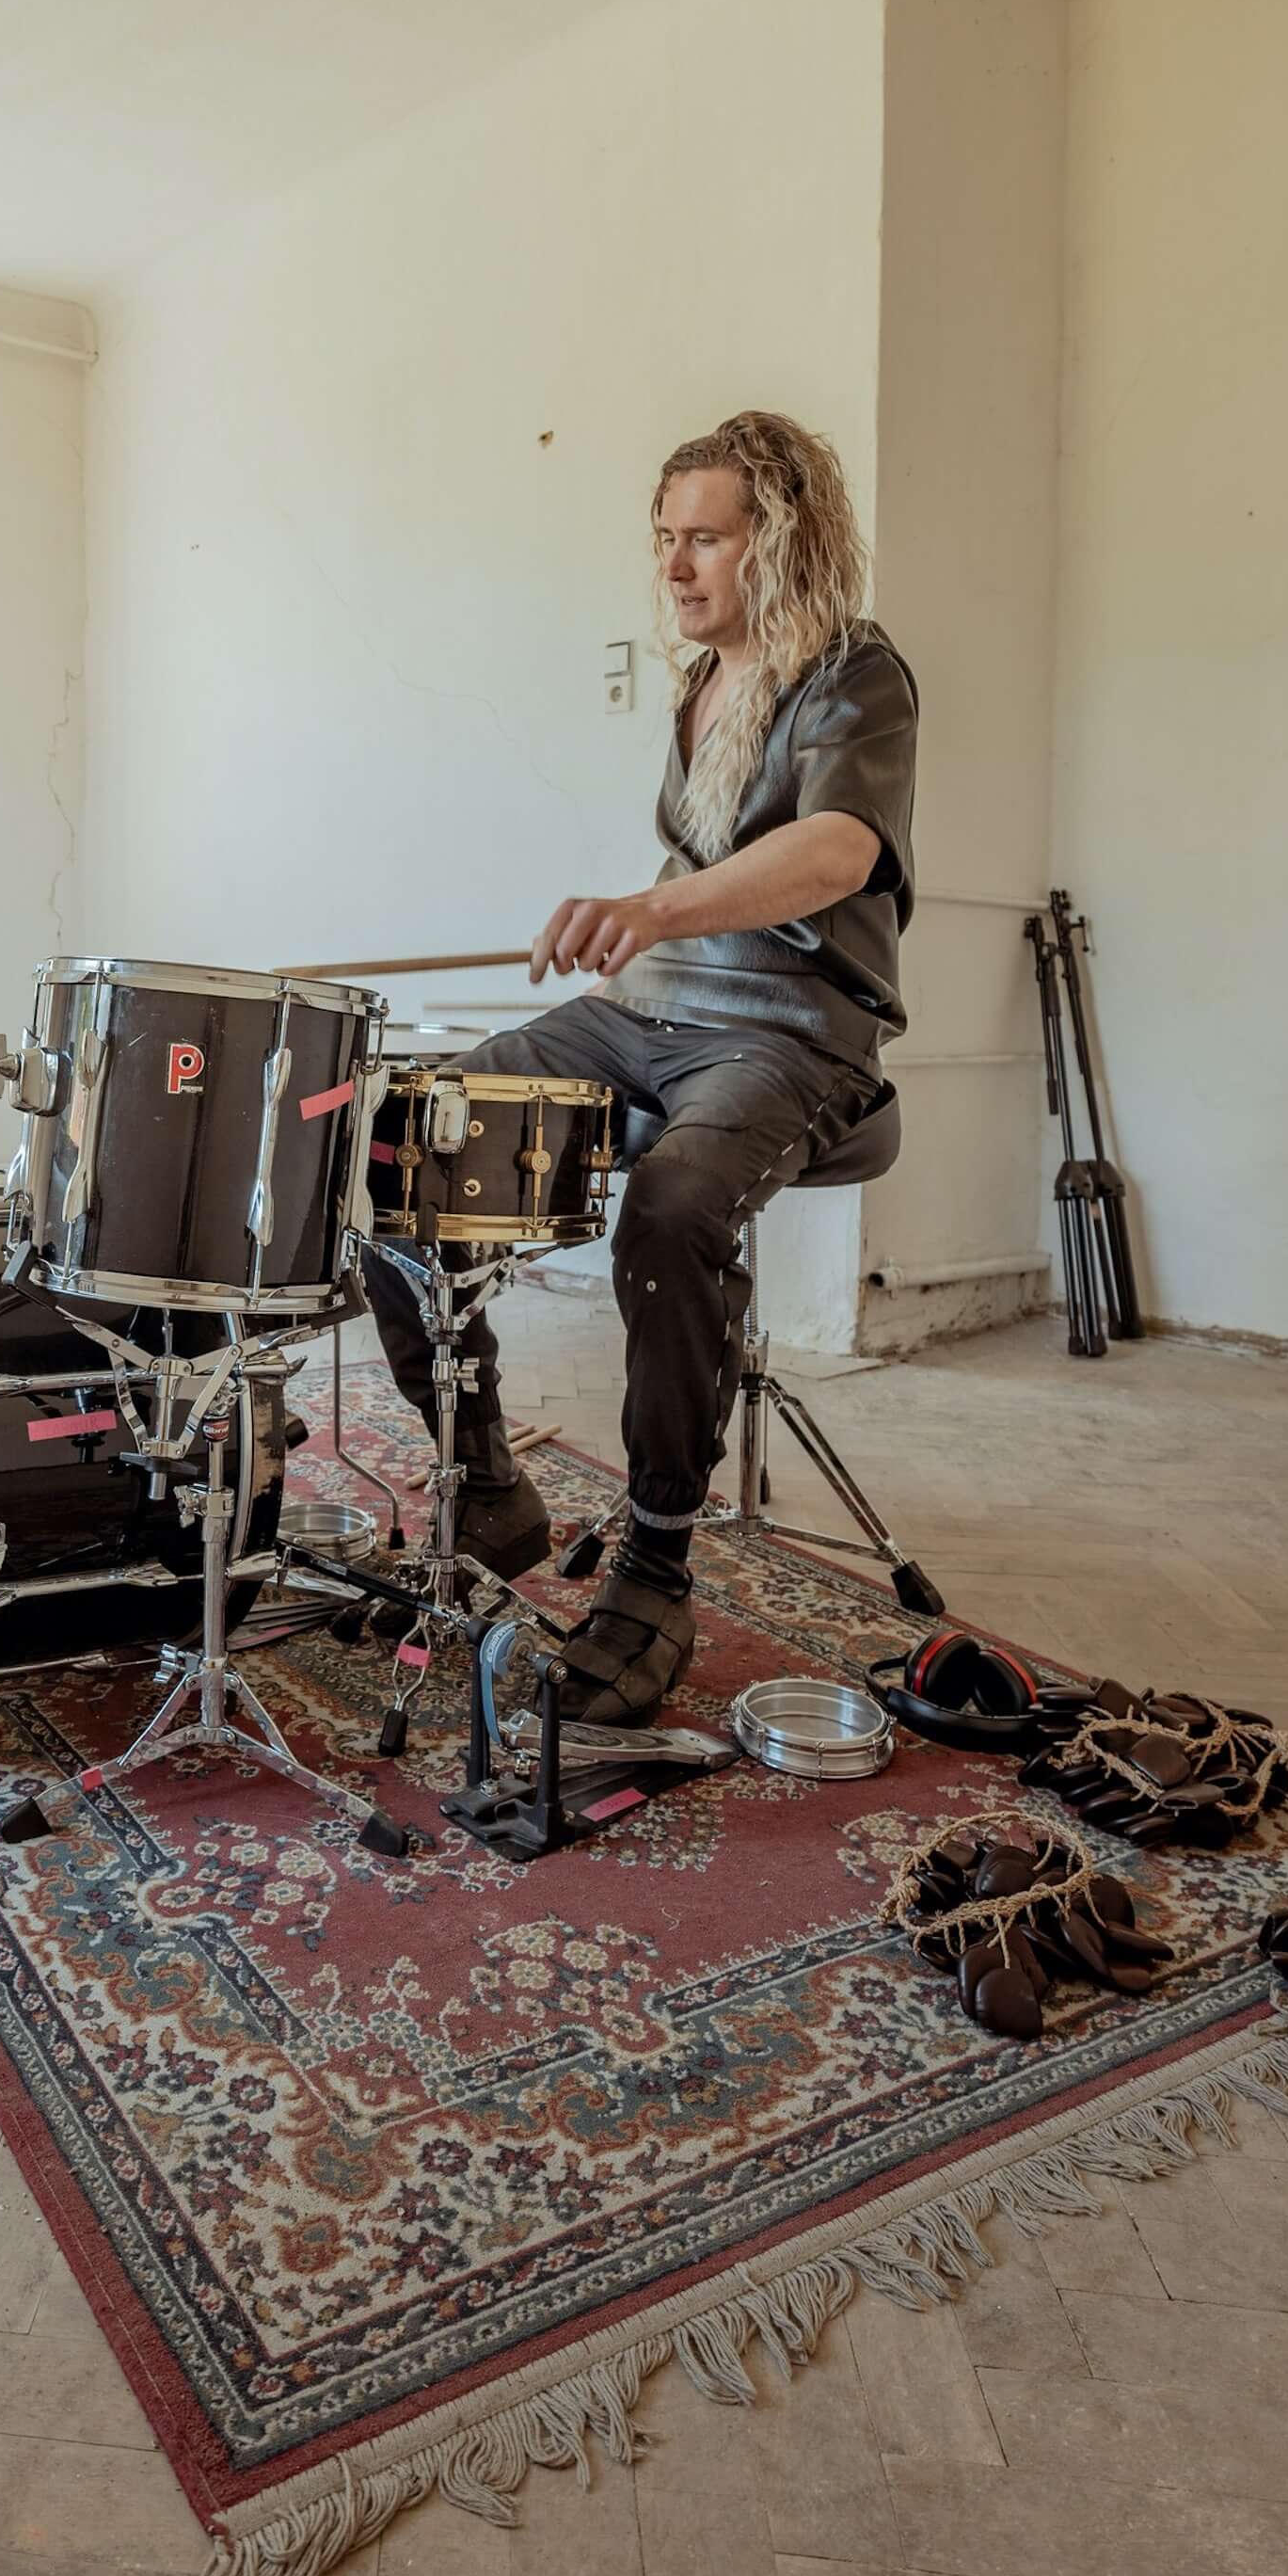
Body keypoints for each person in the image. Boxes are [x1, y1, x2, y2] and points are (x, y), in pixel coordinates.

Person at [359, 410, 917, 1724]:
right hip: (650, 1011)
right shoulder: (700, 683)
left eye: (705, 538)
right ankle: (482, 1471)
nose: (675, 566)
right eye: (665, 539)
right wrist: (642, 942)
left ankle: (657, 1556)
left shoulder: (854, 673)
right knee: (402, 1136)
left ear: (778, 542)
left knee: (669, 1208)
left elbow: (836, 851)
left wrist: (652, 910)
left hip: (790, 1032)